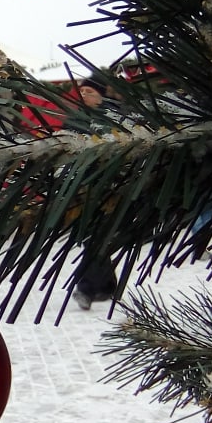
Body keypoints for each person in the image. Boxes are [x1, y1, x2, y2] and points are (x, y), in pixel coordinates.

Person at [72, 77, 120, 310]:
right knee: (94, 238)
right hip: (83, 190)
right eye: (81, 91)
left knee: (100, 238)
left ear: (100, 94)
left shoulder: (112, 119)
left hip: (111, 188)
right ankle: (100, 286)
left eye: (89, 90)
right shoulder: (75, 117)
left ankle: (92, 287)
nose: (83, 95)